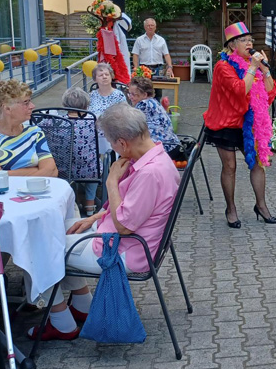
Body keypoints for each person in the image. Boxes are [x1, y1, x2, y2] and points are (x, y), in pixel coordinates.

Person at [28, 103, 180, 341]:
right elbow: (131, 209)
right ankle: (82, 304)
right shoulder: (156, 156)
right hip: (128, 240)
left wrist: (111, 182)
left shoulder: (149, 173)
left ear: (122, 143)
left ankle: (61, 323)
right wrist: (95, 217)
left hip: (125, 250)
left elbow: (124, 226)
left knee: (35, 249)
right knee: (57, 232)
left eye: (111, 142)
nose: (111, 147)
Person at [203, 22, 276, 229]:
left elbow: (269, 93)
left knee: (257, 164)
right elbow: (240, 90)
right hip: (226, 123)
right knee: (230, 167)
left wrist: (264, 70)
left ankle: (261, 206)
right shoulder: (223, 67)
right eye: (244, 40)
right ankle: (231, 209)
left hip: (249, 122)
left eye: (250, 40)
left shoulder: (252, 65)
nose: (249, 43)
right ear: (232, 45)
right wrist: (253, 68)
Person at [0, 79, 58, 177]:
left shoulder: (34, 132)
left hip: (36, 187)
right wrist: (36, 170)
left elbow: (52, 171)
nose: (32, 106)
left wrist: (7, 174)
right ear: (7, 108)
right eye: (26, 102)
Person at [60, 87, 101, 216]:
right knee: (95, 161)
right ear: (85, 105)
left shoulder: (56, 121)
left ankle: (73, 202)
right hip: (89, 170)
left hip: (64, 170)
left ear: (65, 104)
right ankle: (90, 204)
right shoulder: (93, 121)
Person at [128, 76, 184, 160]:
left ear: (144, 95)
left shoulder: (143, 104)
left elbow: (130, 125)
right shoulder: (153, 102)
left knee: (128, 154)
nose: (130, 97)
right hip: (173, 146)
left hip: (164, 150)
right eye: (129, 93)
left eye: (133, 94)